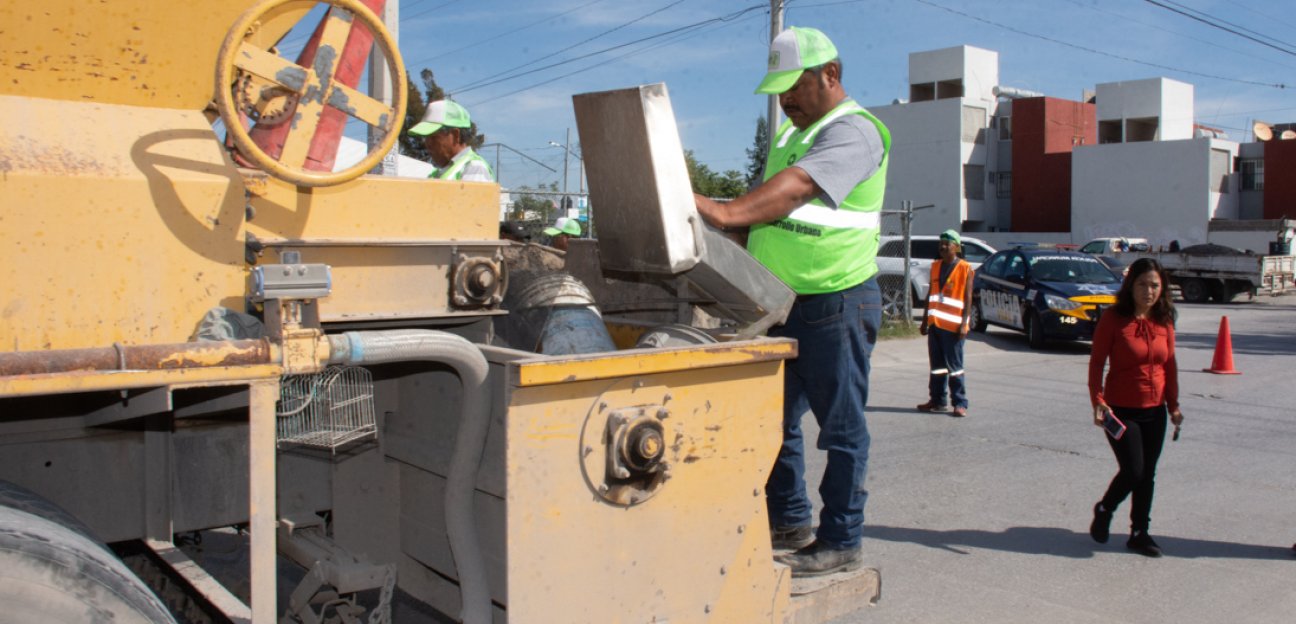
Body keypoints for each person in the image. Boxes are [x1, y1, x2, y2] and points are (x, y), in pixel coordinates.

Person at [694, 26, 889, 576]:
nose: (785, 100)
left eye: (794, 86)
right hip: (782, 304)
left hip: (837, 300)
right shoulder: (790, 134)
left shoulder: (856, 132)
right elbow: (775, 218)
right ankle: (788, 520)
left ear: (831, 75)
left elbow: (798, 189)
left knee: (842, 430)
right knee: (768, 422)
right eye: (779, 90)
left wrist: (723, 211)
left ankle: (841, 539)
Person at [1087, 257, 1184, 557]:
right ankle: (1105, 508)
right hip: (1120, 410)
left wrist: (1173, 406)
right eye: (1142, 284)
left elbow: (1169, 365)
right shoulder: (1114, 319)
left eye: (1155, 285)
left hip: (1154, 410)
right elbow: (1097, 363)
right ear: (1130, 287)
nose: (1149, 291)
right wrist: (1098, 401)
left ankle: (1139, 532)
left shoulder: (1164, 320)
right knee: (1133, 470)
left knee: (1148, 474)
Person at [917, 230, 974, 417]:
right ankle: (937, 400)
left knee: (955, 368)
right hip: (935, 325)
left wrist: (964, 324)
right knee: (937, 367)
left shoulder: (965, 268)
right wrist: (925, 321)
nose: (942, 246)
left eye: (946, 244)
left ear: (956, 247)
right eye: (940, 243)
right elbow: (930, 296)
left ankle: (960, 403)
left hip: (954, 327)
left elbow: (968, 299)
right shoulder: (935, 266)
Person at [408, 99, 494, 182]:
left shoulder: (474, 168)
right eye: (425, 137)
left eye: (433, 137)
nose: (427, 144)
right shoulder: (437, 174)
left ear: (455, 135)